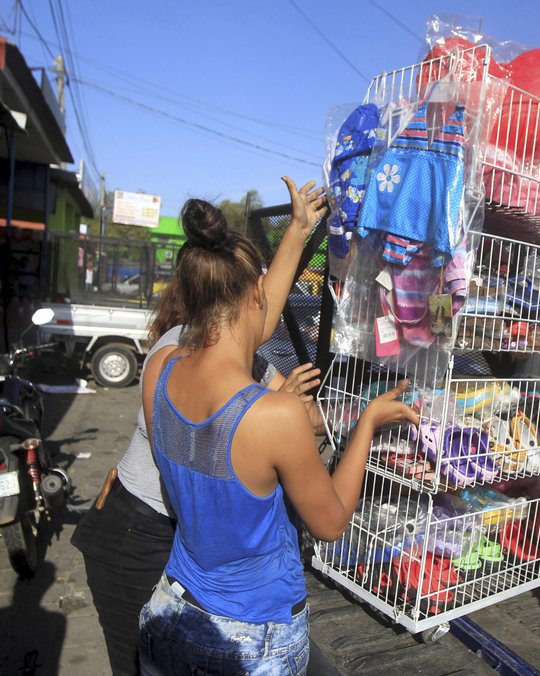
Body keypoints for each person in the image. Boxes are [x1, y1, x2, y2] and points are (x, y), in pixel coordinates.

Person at [137, 195, 418, 674]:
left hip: (170, 613)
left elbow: (250, 327)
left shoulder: (159, 368)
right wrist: (367, 424)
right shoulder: (275, 415)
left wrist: (297, 231)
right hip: (250, 639)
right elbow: (329, 525)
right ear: (252, 295)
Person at [70, 177, 325, 676]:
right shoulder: (172, 354)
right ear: (234, 298)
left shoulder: (235, 350)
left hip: (186, 542)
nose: (264, 310)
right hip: (136, 532)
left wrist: (297, 229)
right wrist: (272, 411)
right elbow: (214, 437)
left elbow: (267, 316)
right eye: (257, 297)